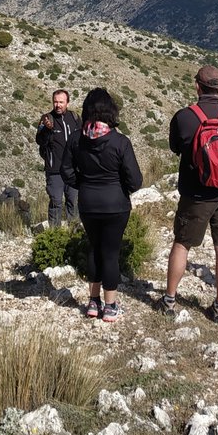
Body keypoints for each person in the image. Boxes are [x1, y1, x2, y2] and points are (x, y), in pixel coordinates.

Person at [160, 64, 218, 323]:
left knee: (182, 244)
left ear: (197, 86)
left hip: (195, 194)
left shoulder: (184, 117)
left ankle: (170, 300)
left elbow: (176, 147)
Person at [60, 87, 143, 323]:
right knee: (110, 253)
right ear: (110, 111)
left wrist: (84, 183)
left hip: (88, 203)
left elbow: (65, 171)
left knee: (94, 249)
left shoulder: (76, 138)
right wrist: (122, 188)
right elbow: (135, 180)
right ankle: (110, 305)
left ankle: (93, 303)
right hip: (115, 204)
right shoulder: (119, 141)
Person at [36, 89, 79, 228]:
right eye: (55, 102)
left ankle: (74, 234)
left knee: (73, 201)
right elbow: (40, 141)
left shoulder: (75, 118)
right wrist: (47, 129)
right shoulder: (47, 118)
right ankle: (55, 236)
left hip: (73, 170)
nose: (58, 105)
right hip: (55, 170)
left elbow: (82, 139)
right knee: (56, 202)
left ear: (67, 102)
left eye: (61, 102)